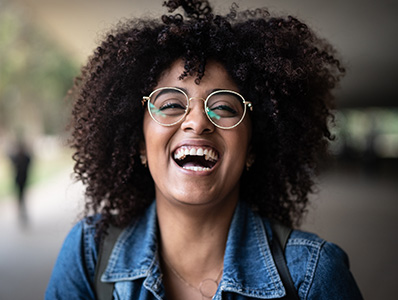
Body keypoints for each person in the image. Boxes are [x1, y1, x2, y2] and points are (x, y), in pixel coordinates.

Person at [46, 0, 363, 299]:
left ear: (252, 147)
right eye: (171, 104)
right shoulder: (88, 253)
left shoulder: (313, 275)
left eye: (224, 107)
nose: (197, 122)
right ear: (140, 143)